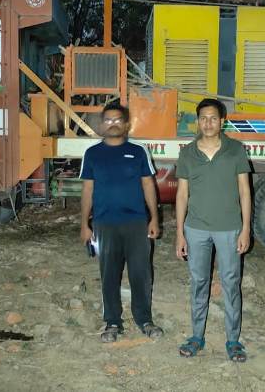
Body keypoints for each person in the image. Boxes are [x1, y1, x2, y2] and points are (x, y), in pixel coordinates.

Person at [174, 98, 251, 363]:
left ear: (222, 121)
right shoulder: (187, 153)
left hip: (229, 229)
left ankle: (233, 340)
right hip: (196, 229)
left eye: (213, 118)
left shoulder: (236, 150)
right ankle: (197, 336)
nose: (208, 123)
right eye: (203, 118)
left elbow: (245, 191)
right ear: (198, 121)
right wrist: (180, 233)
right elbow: (181, 195)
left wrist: (245, 229)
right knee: (199, 282)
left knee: (231, 283)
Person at [79, 102, 163, 343]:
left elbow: (148, 185)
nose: (113, 124)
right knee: (109, 275)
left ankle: (144, 319)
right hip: (104, 224)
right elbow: (87, 190)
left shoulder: (138, 151)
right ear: (101, 124)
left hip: (136, 222)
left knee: (141, 273)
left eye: (118, 120)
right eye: (108, 120)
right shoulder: (92, 153)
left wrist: (154, 218)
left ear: (126, 124)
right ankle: (113, 322)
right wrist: (84, 224)